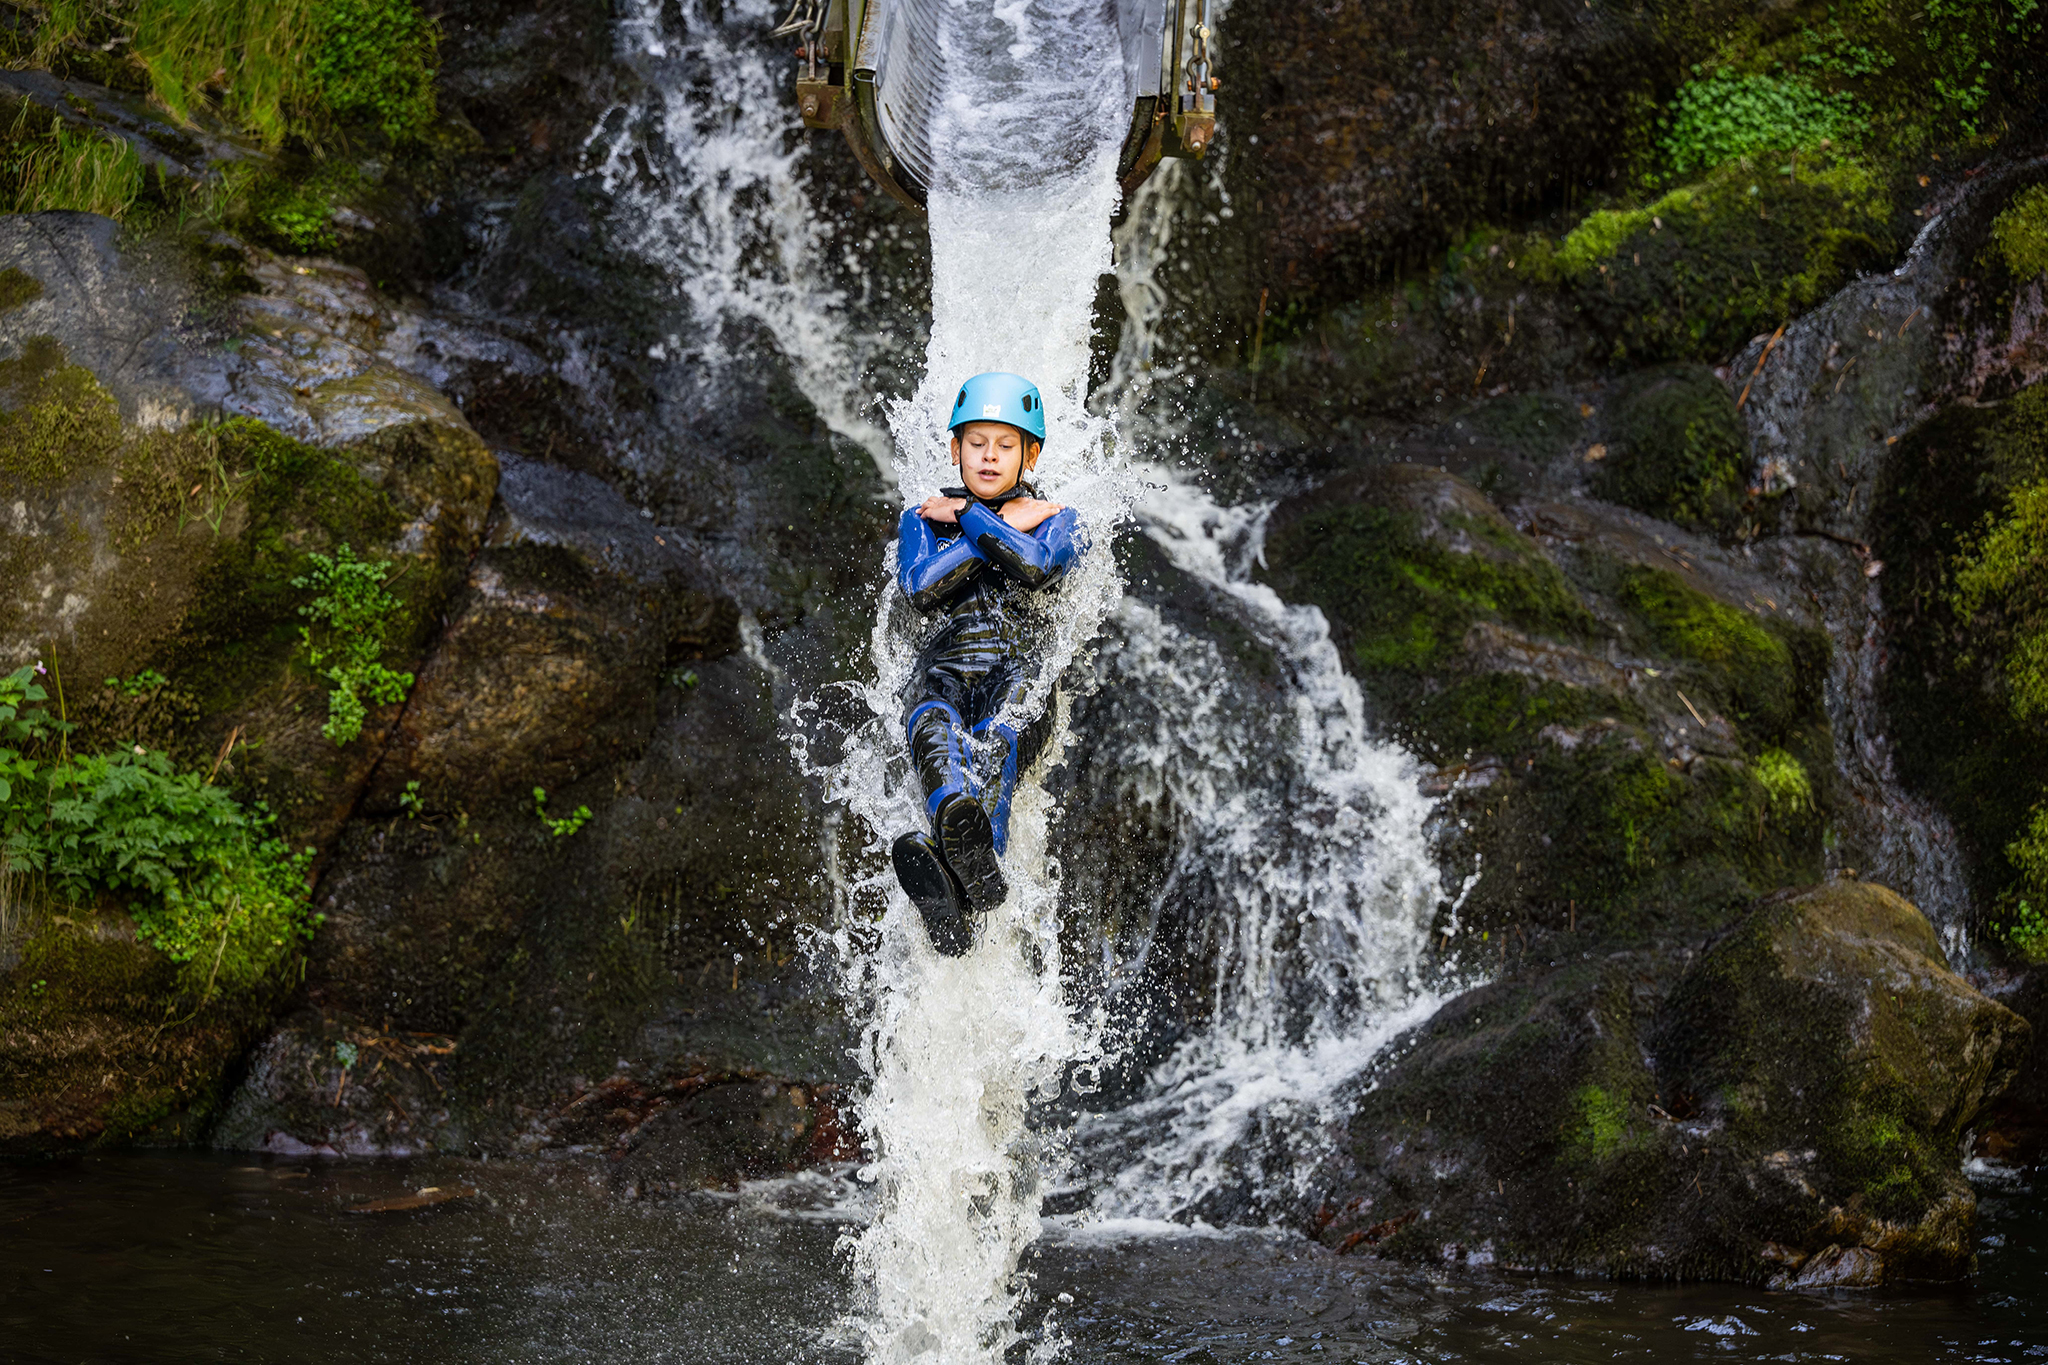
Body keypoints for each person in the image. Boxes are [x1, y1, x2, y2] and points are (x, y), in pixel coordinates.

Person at [890, 371, 1083, 956]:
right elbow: (921, 588)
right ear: (955, 449)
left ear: (1031, 454)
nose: (990, 456)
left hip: (1019, 679)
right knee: (930, 730)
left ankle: (974, 865)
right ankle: (957, 874)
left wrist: (971, 517)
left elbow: (1037, 567)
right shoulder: (921, 519)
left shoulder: (1060, 517)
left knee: (1004, 734)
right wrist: (994, 523)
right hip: (942, 675)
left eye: (1005, 445)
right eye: (977, 444)